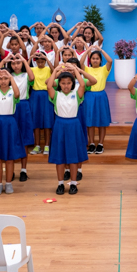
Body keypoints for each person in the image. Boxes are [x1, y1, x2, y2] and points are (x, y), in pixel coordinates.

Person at [47, 64, 88, 195]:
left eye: (69, 83)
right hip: (59, 125)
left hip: (74, 125)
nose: (65, 85)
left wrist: (75, 70)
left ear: (72, 83)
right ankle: (60, 184)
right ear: (59, 84)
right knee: (60, 157)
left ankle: (73, 184)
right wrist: (56, 70)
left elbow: (82, 85)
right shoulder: (56, 94)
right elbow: (48, 85)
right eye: (63, 83)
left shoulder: (77, 95)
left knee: (73, 157)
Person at [81, 47, 113, 154]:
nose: (95, 60)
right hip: (89, 96)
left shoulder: (104, 69)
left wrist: (101, 50)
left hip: (101, 96)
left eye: (97, 58)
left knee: (102, 121)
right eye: (93, 58)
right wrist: (87, 51)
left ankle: (100, 144)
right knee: (89, 121)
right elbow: (80, 63)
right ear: (90, 60)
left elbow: (110, 61)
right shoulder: (87, 69)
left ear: (100, 60)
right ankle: (91, 143)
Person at [29, 50, 55, 155]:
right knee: (36, 121)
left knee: (47, 121)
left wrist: (47, 58)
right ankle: (37, 145)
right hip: (35, 96)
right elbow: (26, 68)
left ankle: (47, 146)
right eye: (38, 61)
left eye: (42, 61)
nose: (40, 63)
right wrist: (31, 57)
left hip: (46, 95)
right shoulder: (33, 69)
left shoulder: (48, 69)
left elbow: (54, 72)